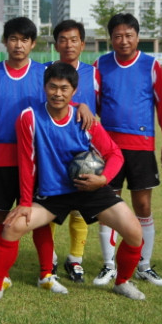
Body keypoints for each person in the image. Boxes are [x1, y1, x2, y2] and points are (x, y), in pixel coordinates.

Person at [0, 62, 145, 307]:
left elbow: (114, 154)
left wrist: (103, 179)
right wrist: (25, 202)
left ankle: (122, 282)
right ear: (44, 87)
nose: (58, 93)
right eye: (53, 87)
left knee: (134, 231)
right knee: (12, 227)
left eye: (64, 88)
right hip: (52, 192)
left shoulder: (84, 119)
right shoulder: (29, 117)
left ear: (74, 91)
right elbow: (27, 162)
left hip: (89, 188)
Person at [0, 17, 68, 294]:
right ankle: (2, 273)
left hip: (37, 156)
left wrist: (82, 108)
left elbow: (60, 102)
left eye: (25, 40)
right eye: (14, 39)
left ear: (33, 44)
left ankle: (46, 274)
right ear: (5, 42)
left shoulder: (44, 73)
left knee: (38, 215)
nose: (19, 45)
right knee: (0, 214)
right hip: (1, 155)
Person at [92, 13, 162, 287]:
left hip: (141, 147)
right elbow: (94, 105)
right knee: (108, 205)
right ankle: (108, 266)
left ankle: (144, 265)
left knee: (143, 205)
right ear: (110, 39)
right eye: (118, 36)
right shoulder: (100, 65)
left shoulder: (151, 66)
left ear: (137, 37)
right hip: (109, 148)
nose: (123, 40)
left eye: (129, 35)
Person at [47, 20, 100, 283]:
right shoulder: (45, 71)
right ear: (56, 44)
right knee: (49, 206)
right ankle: (49, 259)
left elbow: (103, 107)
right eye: (63, 39)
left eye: (74, 39)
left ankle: (75, 259)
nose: (69, 44)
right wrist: (79, 104)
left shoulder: (94, 73)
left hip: (83, 152)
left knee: (80, 208)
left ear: (83, 43)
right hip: (51, 149)